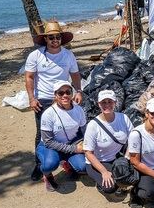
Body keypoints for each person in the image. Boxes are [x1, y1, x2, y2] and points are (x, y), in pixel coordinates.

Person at [25, 21, 82, 181]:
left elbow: (75, 74)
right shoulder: (35, 56)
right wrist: (32, 98)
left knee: (69, 130)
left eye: (57, 37)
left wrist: (78, 91)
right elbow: (29, 77)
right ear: (45, 39)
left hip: (64, 97)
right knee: (41, 134)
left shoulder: (68, 55)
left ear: (61, 39)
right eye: (51, 37)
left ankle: (69, 161)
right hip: (43, 99)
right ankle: (39, 163)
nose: (54, 40)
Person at [37, 80, 87, 192]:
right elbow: (48, 142)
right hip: (50, 145)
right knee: (49, 164)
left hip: (71, 143)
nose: (65, 95)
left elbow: (85, 131)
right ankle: (47, 174)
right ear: (55, 95)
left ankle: (66, 163)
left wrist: (86, 143)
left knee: (83, 166)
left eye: (68, 92)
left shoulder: (79, 110)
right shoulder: (48, 114)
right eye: (60, 93)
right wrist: (74, 149)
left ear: (72, 93)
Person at [83, 90, 133, 198]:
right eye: (103, 102)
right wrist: (104, 172)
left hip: (117, 157)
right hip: (98, 161)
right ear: (99, 104)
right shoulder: (93, 126)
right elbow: (88, 153)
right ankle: (100, 183)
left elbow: (134, 140)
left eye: (110, 102)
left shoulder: (123, 118)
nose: (107, 105)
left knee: (131, 176)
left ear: (115, 102)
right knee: (110, 187)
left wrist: (126, 158)